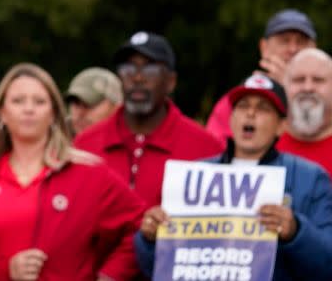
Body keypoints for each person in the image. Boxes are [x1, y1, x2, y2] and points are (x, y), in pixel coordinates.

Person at [135, 74, 332, 281]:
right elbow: (158, 268)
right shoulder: (196, 174)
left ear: (281, 126)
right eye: (242, 106)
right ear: (231, 119)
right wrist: (149, 239)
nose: (250, 114)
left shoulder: (309, 178)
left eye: (263, 108)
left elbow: (327, 263)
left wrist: (296, 231)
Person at [0, 63, 144, 281]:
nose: (29, 109)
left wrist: (110, 275)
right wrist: (6, 270)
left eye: (39, 101)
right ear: (2, 113)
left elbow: (139, 225)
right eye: (18, 101)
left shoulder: (89, 175)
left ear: (53, 113)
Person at [74, 31, 223, 206]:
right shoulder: (85, 146)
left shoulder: (205, 148)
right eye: (128, 69)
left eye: (150, 69)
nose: (138, 78)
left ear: (171, 81)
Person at [206, 9, 317, 141]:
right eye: (284, 41)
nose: (293, 49)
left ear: (314, 49)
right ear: (264, 47)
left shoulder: (327, 99)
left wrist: (290, 89)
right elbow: (219, 150)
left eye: (301, 42)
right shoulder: (238, 99)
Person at [276, 48, 332, 176]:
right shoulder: (261, 144)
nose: (308, 88)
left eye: (318, 80)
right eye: (299, 79)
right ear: (284, 86)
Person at [65, 66, 123, 135]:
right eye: (76, 104)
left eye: (89, 104)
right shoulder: (55, 141)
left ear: (117, 107)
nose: (80, 113)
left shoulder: (134, 143)